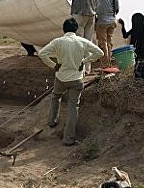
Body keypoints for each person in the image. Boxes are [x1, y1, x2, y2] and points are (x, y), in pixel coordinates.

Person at [38, 18, 103, 146]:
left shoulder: (58, 42)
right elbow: (99, 53)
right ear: (76, 30)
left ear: (64, 29)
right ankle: (69, 139)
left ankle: (52, 121)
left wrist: (53, 65)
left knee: (56, 97)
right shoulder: (82, 41)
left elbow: (42, 53)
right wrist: (83, 62)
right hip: (76, 78)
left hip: (61, 77)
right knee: (73, 107)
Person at [95, 0, 120, 66]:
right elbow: (117, 10)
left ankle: (105, 64)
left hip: (102, 21)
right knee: (109, 42)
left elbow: (94, 5)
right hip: (112, 21)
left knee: (103, 43)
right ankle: (109, 60)